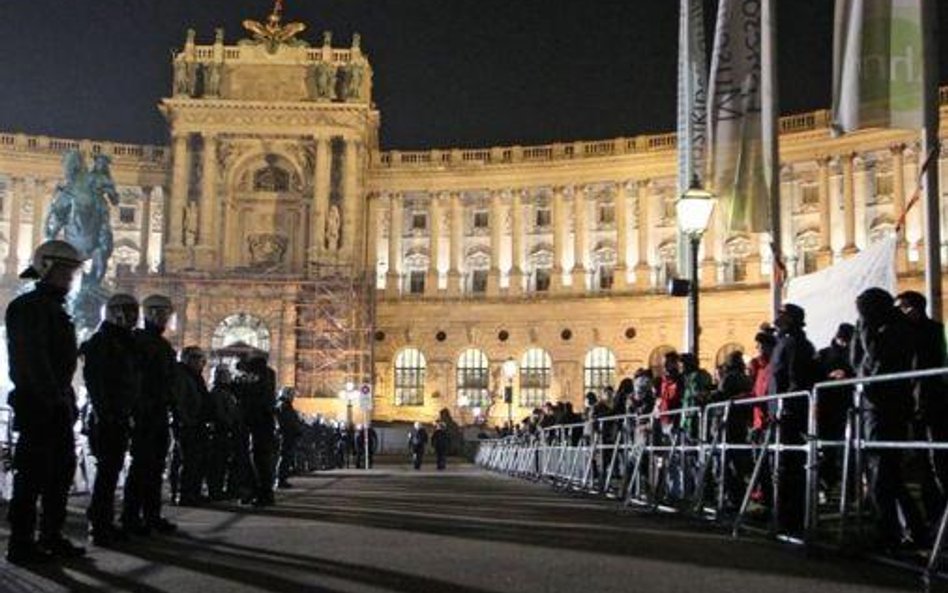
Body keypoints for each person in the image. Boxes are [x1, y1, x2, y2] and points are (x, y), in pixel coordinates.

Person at [5, 240, 86, 564]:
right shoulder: (29, 308)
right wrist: (51, 396)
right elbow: (31, 359)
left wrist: (64, 397)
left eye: (72, 272)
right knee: (32, 475)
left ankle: (51, 535)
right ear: (47, 267)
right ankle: (22, 543)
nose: (70, 278)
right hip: (38, 404)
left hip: (55, 401)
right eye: (66, 271)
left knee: (60, 472)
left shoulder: (53, 308)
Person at [853, 287, 926, 549]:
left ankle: (892, 532)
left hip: (886, 406)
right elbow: (857, 360)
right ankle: (906, 529)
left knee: (884, 472)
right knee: (884, 473)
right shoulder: (885, 326)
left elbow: (874, 356)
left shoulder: (894, 330)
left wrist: (865, 328)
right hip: (876, 406)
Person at [82, 293, 141, 547]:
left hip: (117, 414)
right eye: (128, 313)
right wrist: (108, 414)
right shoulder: (104, 342)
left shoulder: (121, 342)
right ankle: (99, 524)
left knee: (111, 471)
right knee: (107, 472)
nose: (132, 318)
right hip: (108, 417)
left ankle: (104, 521)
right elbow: (96, 383)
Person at [123, 294, 179, 536]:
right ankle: (133, 517)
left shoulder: (158, 343)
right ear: (151, 313)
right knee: (143, 466)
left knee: (154, 466)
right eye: (162, 313)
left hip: (157, 410)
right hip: (146, 411)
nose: (165, 318)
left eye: (167, 313)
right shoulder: (141, 342)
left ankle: (150, 515)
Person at [767, 303, 820, 534]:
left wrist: (786, 406)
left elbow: (795, 378)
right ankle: (783, 517)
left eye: (782, 315)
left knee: (790, 469)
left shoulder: (796, 343)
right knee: (782, 468)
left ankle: (791, 520)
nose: (777, 318)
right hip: (780, 412)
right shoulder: (785, 341)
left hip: (789, 413)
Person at [896, 290, 948, 523]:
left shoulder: (927, 331)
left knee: (936, 461)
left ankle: (940, 515)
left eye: (902, 308)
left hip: (930, 403)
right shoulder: (918, 331)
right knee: (925, 463)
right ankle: (934, 514)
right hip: (918, 402)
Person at [233, 353, 277, 506]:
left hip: (256, 422)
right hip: (263, 422)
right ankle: (262, 492)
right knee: (261, 459)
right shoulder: (268, 374)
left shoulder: (257, 377)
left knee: (257, 460)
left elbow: (245, 394)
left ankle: (261, 494)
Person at [817, 323, 855, 495]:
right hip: (829, 406)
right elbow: (814, 376)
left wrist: (848, 376)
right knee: (828, 450)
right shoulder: (824, 354)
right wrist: (829, 376)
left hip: (847, 405)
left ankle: (848, 487)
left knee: (848, 450)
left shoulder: (854, 353)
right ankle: (828, 484)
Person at [173, 346, 212, 506]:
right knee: (188, 460)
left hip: (197, 423)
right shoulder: (182, 376)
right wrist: (186, 419)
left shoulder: (195, 377)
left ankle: (192, 492)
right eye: (197, 358)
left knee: (196, 461)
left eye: (202, 358)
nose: (201, 362)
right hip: (188, 424)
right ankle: (184, 494)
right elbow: (179, 400)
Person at [206, 365, 239, 501]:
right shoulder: (218, 393)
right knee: (218, 464)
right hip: (221, 432)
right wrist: (230, 424)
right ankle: (215, 491)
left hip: (224, 431)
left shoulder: (224, 392)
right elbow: (221, 413)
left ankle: (218, 490)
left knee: (221, 463)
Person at [276, 387, 303, 488]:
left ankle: (283, 478)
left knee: (286, 458)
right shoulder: (283, 405)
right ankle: (280, 479)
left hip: (289, 435)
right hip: (286, 435)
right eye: (292, 395)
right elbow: (286, 422)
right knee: (284, 457)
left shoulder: (286, 405)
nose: (293, 397)